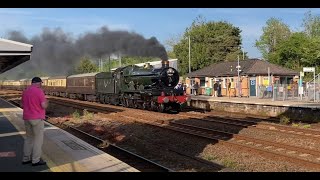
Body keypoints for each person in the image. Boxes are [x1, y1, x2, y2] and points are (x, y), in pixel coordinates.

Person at [21, 77, 49, 166]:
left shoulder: (25, 91)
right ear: (38, 83)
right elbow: (43, 106)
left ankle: (26, 158)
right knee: (38, 140)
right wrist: (47, 102)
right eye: (41, 83)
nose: (41, 85)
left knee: (28, 139)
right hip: (37, 119)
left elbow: (22, 103)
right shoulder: (39, 91)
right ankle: (35, 160)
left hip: (27, 118)